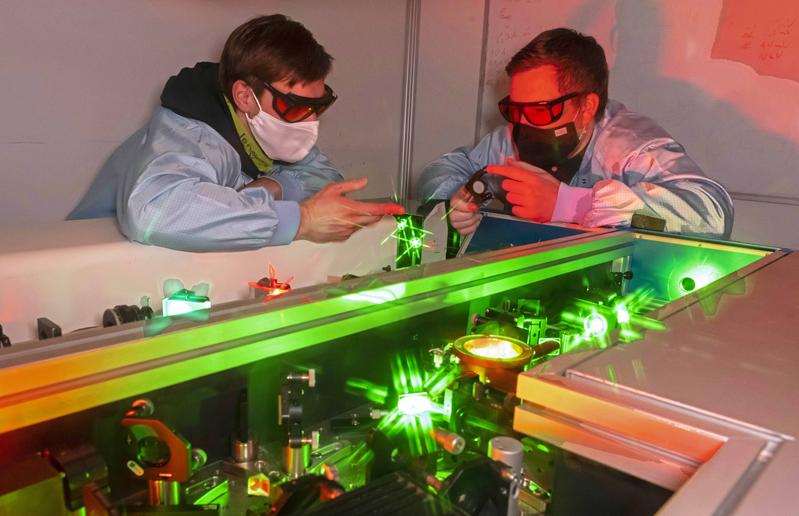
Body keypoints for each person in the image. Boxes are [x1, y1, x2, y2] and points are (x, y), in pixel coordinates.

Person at [68, 14, 403, 252]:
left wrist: (273, 186)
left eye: (318, 106)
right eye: (296, 106)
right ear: (245, 96)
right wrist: (300, 220)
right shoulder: (190, 133)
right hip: (84, 264)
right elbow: (155, 211)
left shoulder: (266, 129)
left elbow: (324, 176)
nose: (309, 122)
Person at [418, 28, 732, 239]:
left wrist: (572, 205)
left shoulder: (630, 146)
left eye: (540, 111)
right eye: (515, 110)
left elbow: (714, 216)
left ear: (586, 106)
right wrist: (454, 200)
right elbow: (443, 167)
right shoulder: (509, 138)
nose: (523, 125)